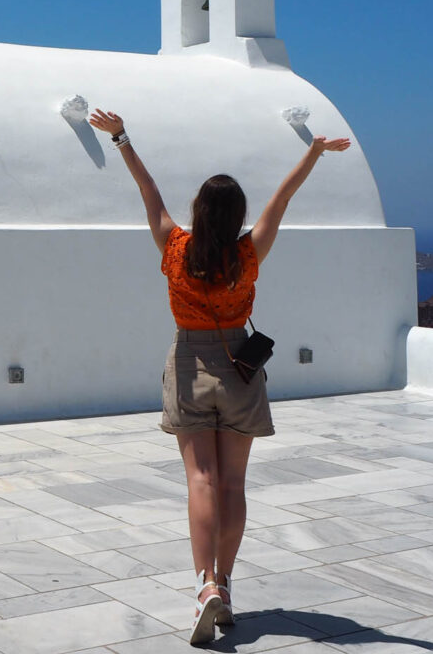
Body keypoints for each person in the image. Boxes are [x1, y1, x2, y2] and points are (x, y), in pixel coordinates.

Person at [87, 108, 350, 646]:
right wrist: (314, 153)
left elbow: (148, 187)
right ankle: (224, 584)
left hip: (189, 364)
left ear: (199, 212)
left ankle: (205, 584)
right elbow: (284, 196)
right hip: (239, 368)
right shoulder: (249, 253)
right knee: (233, 484)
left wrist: (121, 138)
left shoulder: (174, 246)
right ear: (236, 217)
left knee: (200, 481)